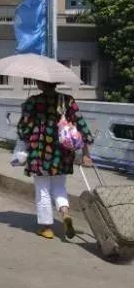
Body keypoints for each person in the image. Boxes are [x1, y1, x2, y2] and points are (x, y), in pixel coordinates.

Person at [17, 80, 94, 240]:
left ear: (40, 84)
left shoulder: (33, 101)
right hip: (62, 152)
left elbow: (23, 128)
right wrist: (86, 153)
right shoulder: (67, 100)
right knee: (59, 186)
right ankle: (65, 214)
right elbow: (81, 124)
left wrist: (25, 115)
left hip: (40, 152)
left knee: (43, 189)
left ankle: (47, 227)